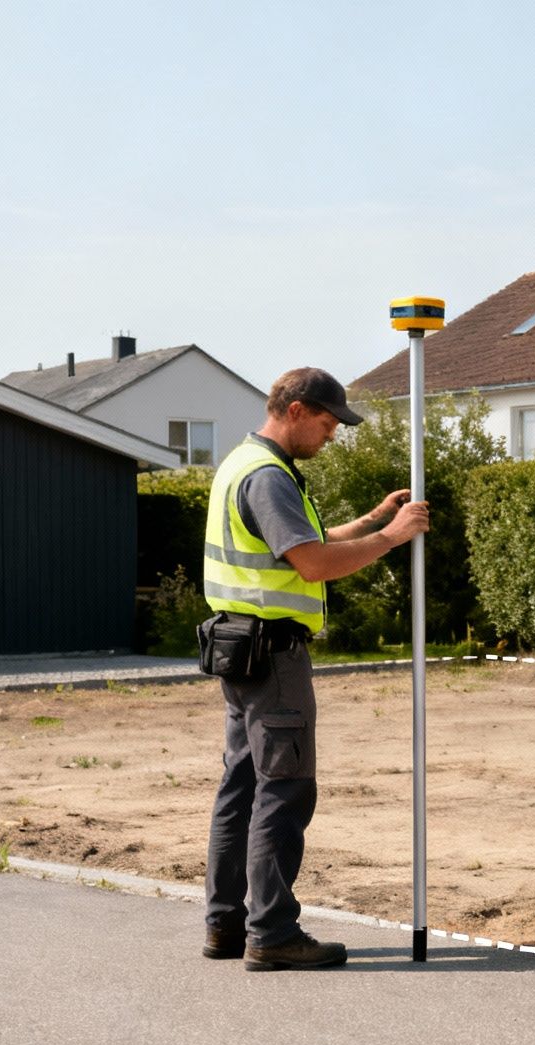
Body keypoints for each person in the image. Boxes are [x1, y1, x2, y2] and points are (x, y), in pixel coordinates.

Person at [199, 366, 429, 970]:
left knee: (241, 788)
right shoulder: (270, 477)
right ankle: (272, 935)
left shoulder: (242, 465)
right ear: (296, 411)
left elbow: (306, 540)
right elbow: (312, 563)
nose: (331, 437)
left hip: (240, 650)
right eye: (327, 424)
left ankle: (225, 926)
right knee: (285, 790)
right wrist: (393, 539)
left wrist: (375, 521)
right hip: (273, 657)